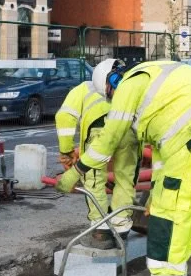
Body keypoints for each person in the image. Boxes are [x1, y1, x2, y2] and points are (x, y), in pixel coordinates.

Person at [55, 59, 191, 276]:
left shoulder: (129, 85)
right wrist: (156, 189)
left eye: (110, 98)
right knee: (186, 209)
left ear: (112, 83)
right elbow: (163, 150)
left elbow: (109, 139)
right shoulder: (154, 79)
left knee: (170, 214)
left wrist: (76, 170)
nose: (112, 103)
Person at [55, 76, 140, 249]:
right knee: (126, 178)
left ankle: (101, 231)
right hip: (128, 131)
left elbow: (64, 118)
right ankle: (121, 228)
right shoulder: (128, 86)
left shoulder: (83, 88)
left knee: (94, 179)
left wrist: (66, 150)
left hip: (97, 134)